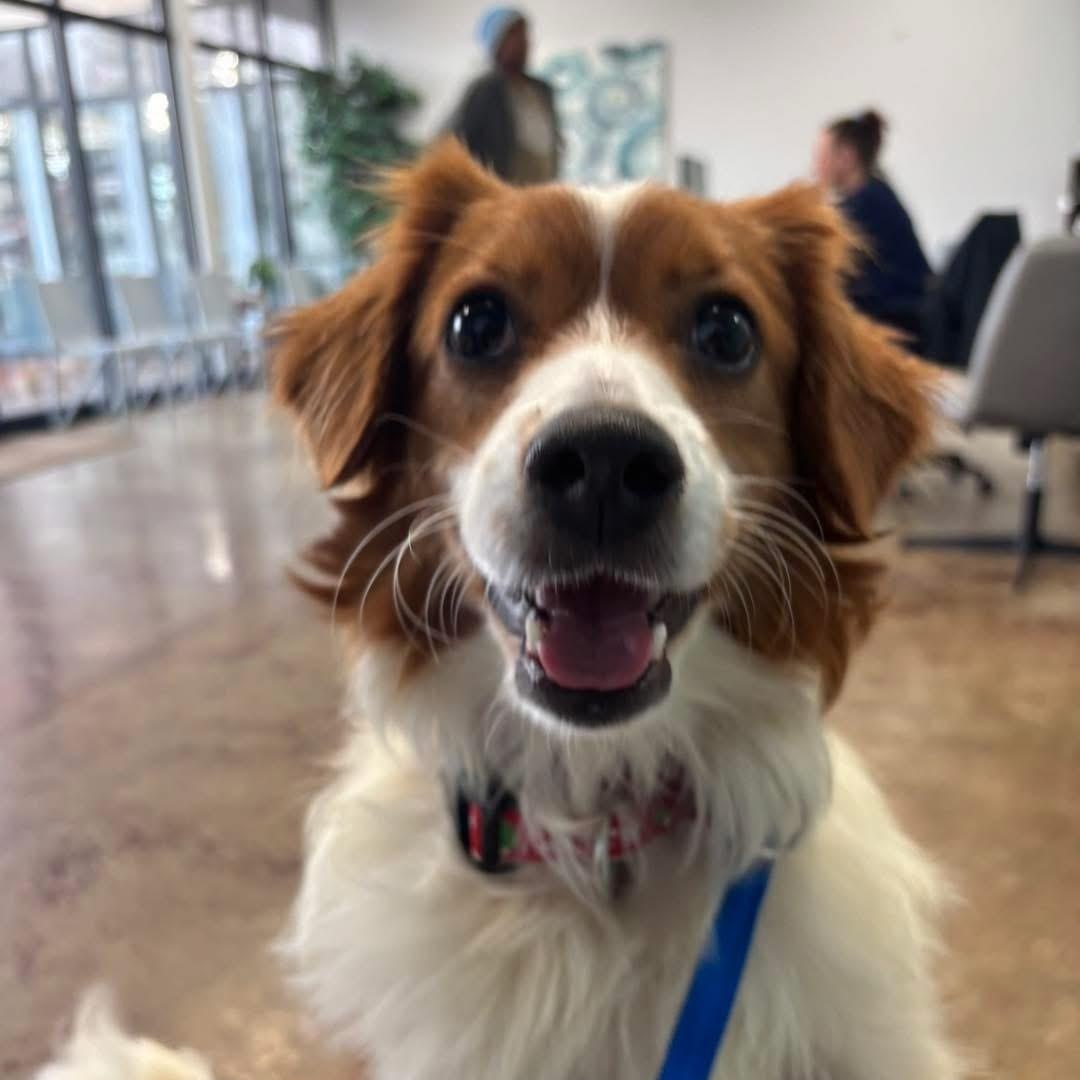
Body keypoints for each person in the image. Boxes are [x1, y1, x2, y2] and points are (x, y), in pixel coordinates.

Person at [812, 110, 931, 334]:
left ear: (846, 157)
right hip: (905, 318)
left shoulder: (865, 205)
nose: (814, 168)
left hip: (898, 326)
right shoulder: (876, 193)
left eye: (820, 157)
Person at [445, 8, 561, 184]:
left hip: (541, 188)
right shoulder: (485, 89)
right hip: (501, 190)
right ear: (496, 43)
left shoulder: (542, 90)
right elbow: (452, 141)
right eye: (513, 34)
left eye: (524, 34)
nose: (523, 41)